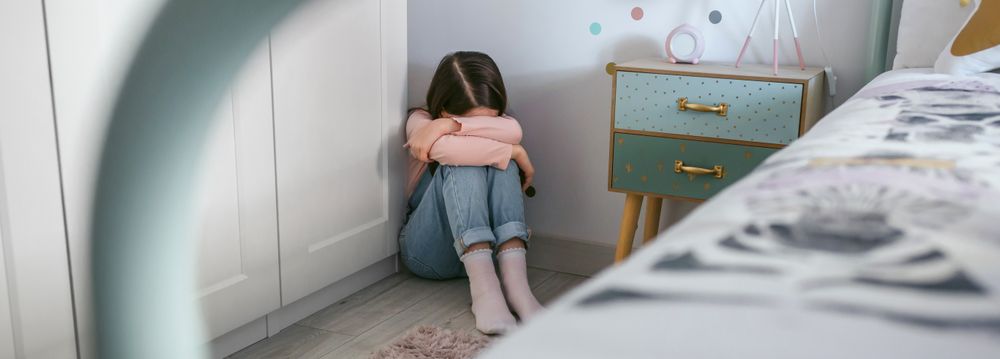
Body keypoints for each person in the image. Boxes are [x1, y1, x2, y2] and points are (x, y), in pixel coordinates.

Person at [399, 51, 541, 335]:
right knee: (464, 161)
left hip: (490, 253)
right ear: (440, 110)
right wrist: (512, 151)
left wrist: (451, 126)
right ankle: (486, 293)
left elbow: (514, 129)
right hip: (427, 252)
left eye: (486, 121)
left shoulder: (499, 122)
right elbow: (450, 150)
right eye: (459, 120)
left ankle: (517, 287)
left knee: (501, 163)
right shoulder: (419, 122)